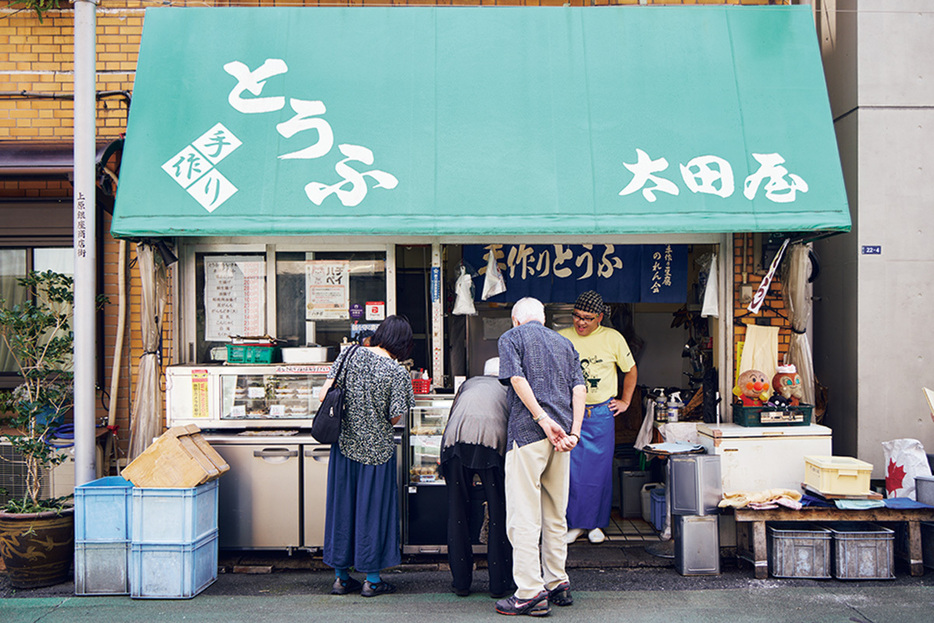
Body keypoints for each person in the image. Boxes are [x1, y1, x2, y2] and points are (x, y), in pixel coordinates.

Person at [495, 297, 586, 616]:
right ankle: (557, 582)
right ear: (543, 320)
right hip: (562, 440)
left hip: (529, 435)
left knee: (523, 516)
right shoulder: (564, 343)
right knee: (554, 514)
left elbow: (517, 380)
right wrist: (573, 432)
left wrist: (541, 419)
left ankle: (530, 592)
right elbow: (579, 389)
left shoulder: (511, 338)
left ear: (516, 320)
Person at [321, 315, 415, 597]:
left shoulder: (348, 354)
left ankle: (340, 578)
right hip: (377, 453)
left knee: (342, 509)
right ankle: (372, 581)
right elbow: (396, 417)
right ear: (403, 344)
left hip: (344, 448)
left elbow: (325, 394)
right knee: (373, 513)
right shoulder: (397, 372)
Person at [559, 290, 638, 545]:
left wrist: (625, 401)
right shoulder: (561, 337)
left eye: (588, 318)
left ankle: (595, 524)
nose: (581, 323)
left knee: (600, 472)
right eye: (577, 317)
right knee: (570, 471)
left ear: (600, 318)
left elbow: (631, 370)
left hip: (602, 413)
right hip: (571, 414)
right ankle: (574, 524)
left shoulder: (613, 338)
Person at [439, 357, 514, 599]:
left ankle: (461, 582)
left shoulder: (469, 384)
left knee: (457, 511)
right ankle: (499, 584)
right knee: (497, 512)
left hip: (454, 445)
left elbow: (451, 416)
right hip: (490, 447)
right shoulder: (510, 387)